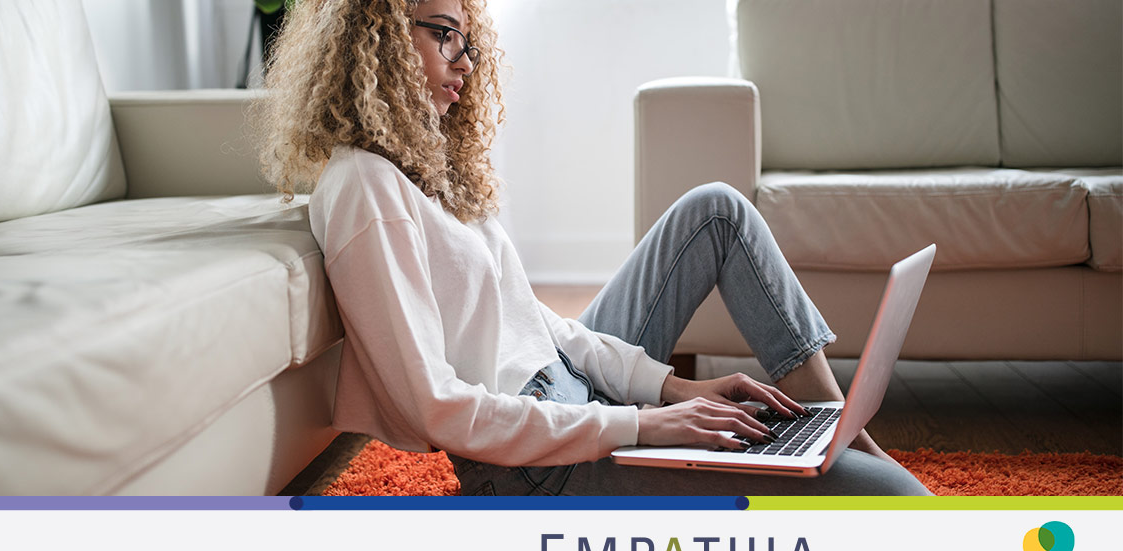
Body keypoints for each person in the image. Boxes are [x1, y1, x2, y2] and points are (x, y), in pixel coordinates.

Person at [256, 0, 931, 496]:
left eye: (470, 42)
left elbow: (536, 322)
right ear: (374, 38)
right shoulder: (364, 188)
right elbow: (434, 406)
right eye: (444, 35)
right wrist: (641, 426)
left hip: (578, 402)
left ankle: (836, 428)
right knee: (896, 502)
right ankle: (839, 451)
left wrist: (670, 388)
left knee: (716, 211)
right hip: (537, 469)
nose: (464, 60)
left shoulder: (430, 170)